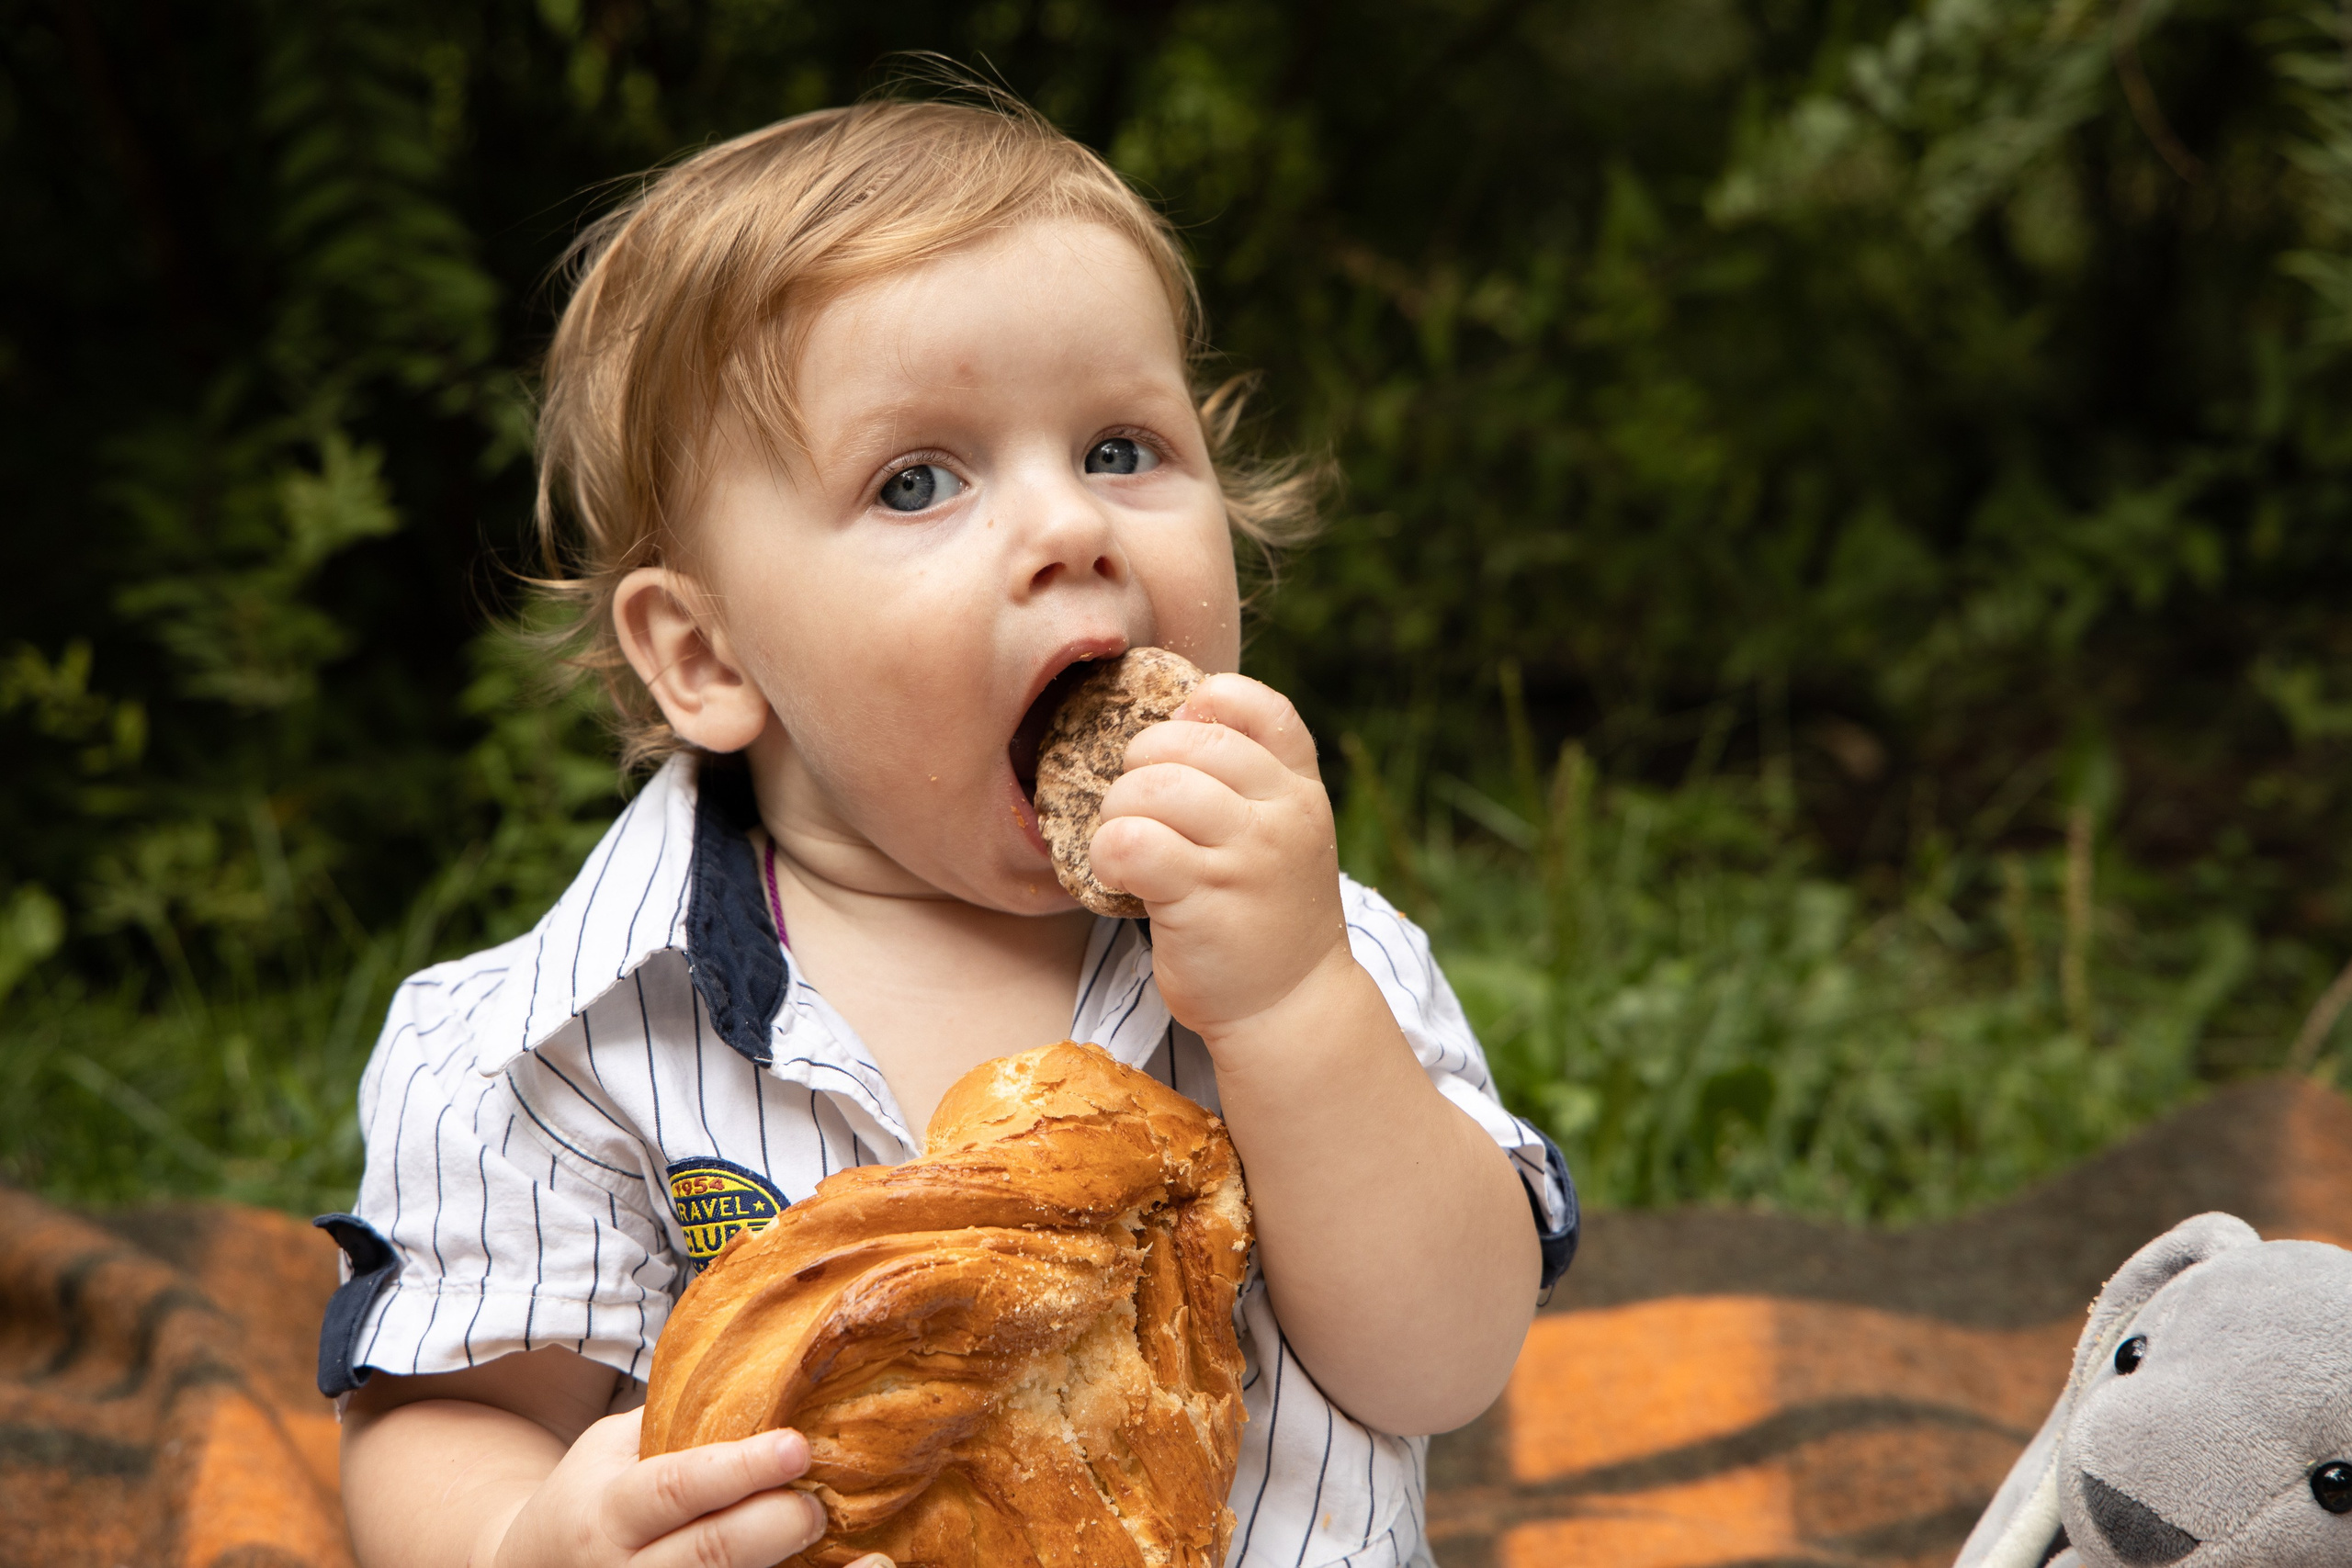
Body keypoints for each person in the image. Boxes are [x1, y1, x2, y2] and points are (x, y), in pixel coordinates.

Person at [325, 90, 1577, 1568]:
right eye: (918, 480)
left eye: (1122, 449)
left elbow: (1442, 1362)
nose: (1071, 527)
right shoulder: (562, 1047)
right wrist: (519, 1544)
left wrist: (1294, 1006)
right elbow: (453, 1411)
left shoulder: (1322, 956)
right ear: (709, 658)